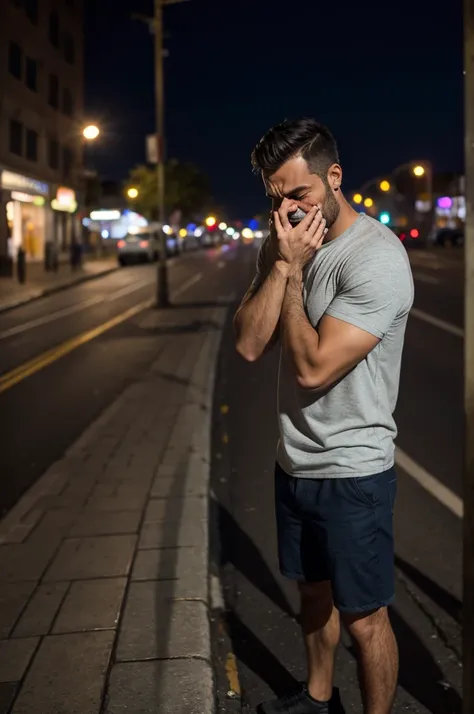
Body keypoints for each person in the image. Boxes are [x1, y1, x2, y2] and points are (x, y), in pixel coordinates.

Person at [234, 118, 414, 714]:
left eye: (299, 192)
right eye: (277, 196)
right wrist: (285, 266)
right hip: (296, 461)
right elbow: (249, 345)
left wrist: (292, 275)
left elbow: (311, 369)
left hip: (353, 470)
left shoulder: (377, 260)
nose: (288, 208)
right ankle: (317, 698)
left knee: (364, 619)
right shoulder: (284, 245)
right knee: (313, 596)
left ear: (333, 177)